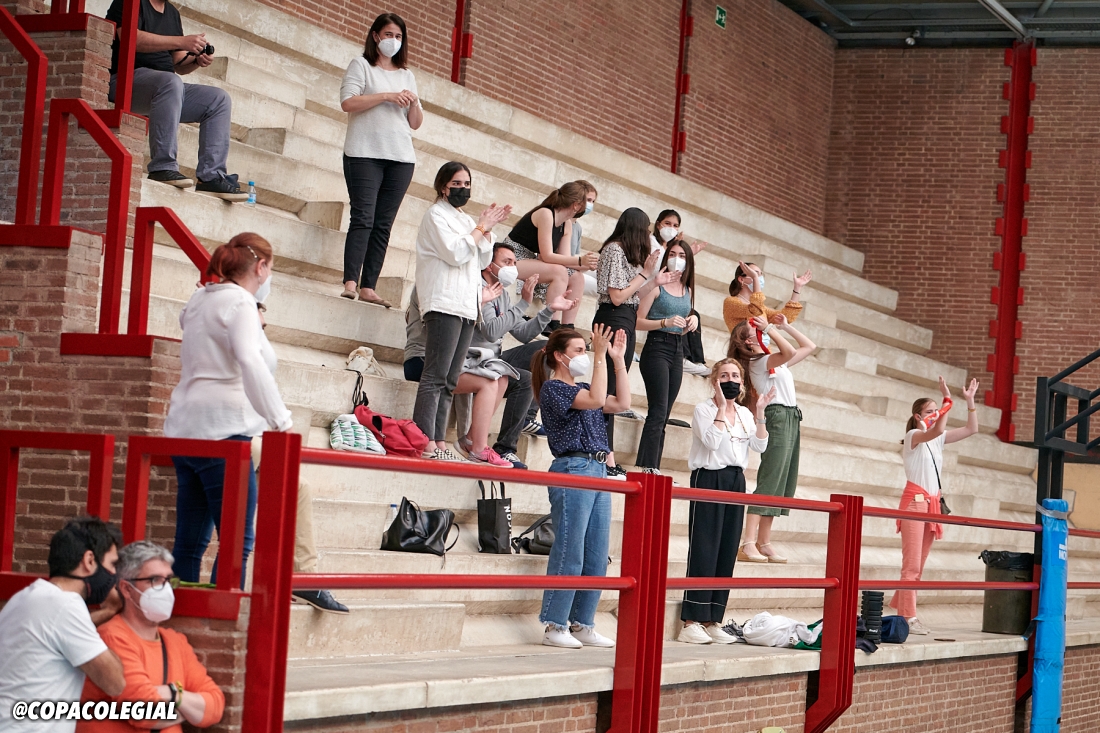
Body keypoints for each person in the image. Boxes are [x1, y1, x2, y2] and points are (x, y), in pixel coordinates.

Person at [165, 233, 293, 587]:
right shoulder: (240, 303)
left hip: (185, 428)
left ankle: (181, 611)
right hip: (224, 429)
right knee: (237, 541)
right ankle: (221, 615)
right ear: (261, 267)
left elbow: (188, 319)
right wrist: (281, 420)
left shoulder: (200, 298)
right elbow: (250, 360)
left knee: (189, 541)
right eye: (270, 267)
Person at [532, 325, 630, 648]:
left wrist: (617, 360)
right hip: (573, 467)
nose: (584, 355)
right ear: (559, 356)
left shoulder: (585, 387)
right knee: (570, 549)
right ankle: (555, 624)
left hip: (599, 469)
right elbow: (597, 399)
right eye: (578, 350)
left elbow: (622, 402)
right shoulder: (554, 389)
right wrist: (600, 356)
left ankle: (582, 622)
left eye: (585, 349)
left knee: (598, 554)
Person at [411, 162, 512, 462]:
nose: (463, 189)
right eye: (457, 183)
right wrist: (479, 228)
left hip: (467, 306)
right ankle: (423, 439)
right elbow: (455, 253)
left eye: (467, 184)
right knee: (436, 375)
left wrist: (486, 228)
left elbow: (480, 258)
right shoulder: (435, 215)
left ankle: (439, 439)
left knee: (451, 379)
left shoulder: (466, 219)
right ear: (443, 187)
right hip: (444, 303)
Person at [104, 0, 246, 200]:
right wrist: (181, 41)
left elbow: (178, 64)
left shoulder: (172, 13)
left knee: (218, 99)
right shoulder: (130, 2)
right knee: (170, 82)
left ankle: (211, 177)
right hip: (124, 81)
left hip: (165, 88)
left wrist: (197, 60)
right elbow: (130, 38)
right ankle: (163, 167)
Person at [77, 541, 225, 732]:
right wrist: (183, 706)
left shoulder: (175, 642)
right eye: (155, 580)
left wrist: (173, 694)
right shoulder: (112, 637)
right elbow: (145, 712)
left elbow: (215, 706)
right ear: (127, 589)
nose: (165, 589)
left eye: (168, 580)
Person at [0, 517, 126, 732]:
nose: (114, 575)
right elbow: (115, 683)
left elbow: (56, 634)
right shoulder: (66, 606)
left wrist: (108, 611)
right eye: (113, 565)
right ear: (89, 560)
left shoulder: (28, 597)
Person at [678, 360, 773, 644]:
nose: (730, 380)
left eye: (735, 376)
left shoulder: (744, 413)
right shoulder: (703, 409)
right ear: (714, 381)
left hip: (735, 480)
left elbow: (760, 446)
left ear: (742, 382)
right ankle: (691, 621)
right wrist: (721, 408)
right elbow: (711, 441)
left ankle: (713, 620)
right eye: (723, 376)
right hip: (708, 477)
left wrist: (760, 414)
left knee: (727, 548)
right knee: (704, 546)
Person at [339, 13, 423, 308]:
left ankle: (369, 286)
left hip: (400, 158)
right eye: (388, 34)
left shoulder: (407, 75)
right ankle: (350, 282)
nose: (393, 41)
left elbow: (415, 123)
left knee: (383, 224)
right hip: (364, 153)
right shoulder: (360, 65)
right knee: (363, 217)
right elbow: (348, 102)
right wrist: (386, 96)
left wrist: (414, 102)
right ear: (375, 36)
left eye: (398, 36)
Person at [890, 377, 980, 635]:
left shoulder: (936, 439)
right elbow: (936, 430)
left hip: (931, 504)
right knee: (911, 565)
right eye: (930, 411)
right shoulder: (914, 435)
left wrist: (969, 401)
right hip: (915, 503)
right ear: (918, 416)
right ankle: (908, 617)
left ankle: (903, 611)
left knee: (919, 564)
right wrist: (946, 401)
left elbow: (971, 429)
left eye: (936, 411)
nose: (935, 414)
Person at [728, 314, 815, 563]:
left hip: (791, 416)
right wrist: (770, 329)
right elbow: (789, 351)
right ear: (747, 341)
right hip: (776, 415)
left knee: (783, 482)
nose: (762, 332)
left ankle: (764, 541)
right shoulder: (756, 362)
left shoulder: (773, 361)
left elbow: (809, 346)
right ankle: (748, 542)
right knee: (770, 478)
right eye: (755, 330)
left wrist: (785, 326)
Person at [592, 207, 671, 478]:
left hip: (624, 317)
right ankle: (605, 457)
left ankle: (607, 456)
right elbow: (616, 296)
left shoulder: (624, 253)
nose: (648, 235)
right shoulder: (614, 250)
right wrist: (645, 274)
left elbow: (631, 295)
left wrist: (654, 280)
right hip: (612, 317)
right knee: (608, 389)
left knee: (614, 387)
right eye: (646, 229)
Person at [404, 285, 516, 467]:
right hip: (421, 357)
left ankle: (449, 442)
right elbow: (443, 330)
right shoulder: (434, 284)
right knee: (487, 383)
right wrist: (479, 303)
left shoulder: (462, 286)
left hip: (449, 360)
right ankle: (476, 448)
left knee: (500, 377)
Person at [469, 242, 558, 469]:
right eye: (506, 262)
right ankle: (505, 448)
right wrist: (524, 303)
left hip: (494, 361)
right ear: (489, 264)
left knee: (548, 349)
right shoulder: (478, 288)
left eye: (514, 263)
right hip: (474, 361)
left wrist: (548, 310)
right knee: (524, 379)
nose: (512, 267)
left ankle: (527, 417)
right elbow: (491, 331)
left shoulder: (502, 293)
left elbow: (523, 334)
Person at [634, 241, 699, 475]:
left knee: (666, 411)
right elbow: (637, 321)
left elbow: (681, 322)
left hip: (677, 348)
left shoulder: (687, 290)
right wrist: (664, 322)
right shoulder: (657, 285)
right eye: (672, 253)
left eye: (682, 255)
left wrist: (692, 320)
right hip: (656, 346)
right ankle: (648, 465)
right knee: (658, 409)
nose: (676, 258)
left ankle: (654, 464)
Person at [502, 182, 592, 328]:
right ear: (576, 205)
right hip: (512, 257)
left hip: (531, 259)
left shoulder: (567, 224)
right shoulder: (546, 214)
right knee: (559, 271)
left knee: (577, 277)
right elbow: (547, 256)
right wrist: (581, 260)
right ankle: (552, 322)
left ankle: (567, 327)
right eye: (586, 202)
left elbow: (565, 259)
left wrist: (588, 264)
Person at [650, 209, 709, 377]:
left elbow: (681, 273)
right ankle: (684, 357)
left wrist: (688, 256)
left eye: (675, 225)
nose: (671, 228)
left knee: (693, 315)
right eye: (667, 223)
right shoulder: (651, 243)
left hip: (669, 290)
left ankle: (696, 360)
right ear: (658, 224)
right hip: (653, 291)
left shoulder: (672, 247)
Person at [723, 260, 813, 333]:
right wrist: (755, 278)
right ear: (741, 279)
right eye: (755, 273)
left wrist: (797, 287)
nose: (759, 277)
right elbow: (755, 310)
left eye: (761, 274)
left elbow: (786, 317)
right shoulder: (730, 302)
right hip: (744, 350)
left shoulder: (761, 308)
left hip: (763, 349)